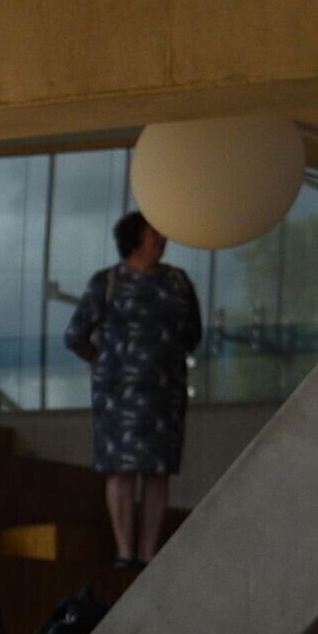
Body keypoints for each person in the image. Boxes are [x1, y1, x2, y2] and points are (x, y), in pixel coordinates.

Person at [64, 211, 200, 567]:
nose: (162, 240)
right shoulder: (107, 282)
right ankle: (126, 552)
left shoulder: (177, 281)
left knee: (158, 470)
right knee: (121, 470)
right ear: (135, 239)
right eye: (154, 233)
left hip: (164, 394)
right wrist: (104, 363)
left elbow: (192, 334)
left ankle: (147, 552)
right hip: (118, 396)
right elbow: (75, 335)